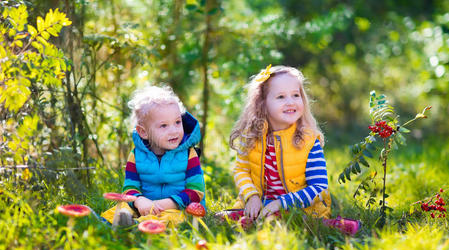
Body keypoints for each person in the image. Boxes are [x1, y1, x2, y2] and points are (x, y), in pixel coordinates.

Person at [229, 65, 332, 221]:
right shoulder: (251, 137)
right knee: (224, 218)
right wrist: (251, 196)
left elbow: (319, 188)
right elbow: (241, 170)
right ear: (262, 103)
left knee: (276, 222)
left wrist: (280, 203)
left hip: (300, 208)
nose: (290, 102)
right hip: (260, 204)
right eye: (281, 97)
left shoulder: (309, 141)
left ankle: (334, 225)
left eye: (295, 95)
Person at [101, 85, 205, 227]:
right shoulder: (136, 155)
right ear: (143, 132)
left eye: (177, 122)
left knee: (172, 218)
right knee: (120, 209)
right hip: (144, 207)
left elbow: (196, 191)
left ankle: (137, 227)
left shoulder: (188, 154)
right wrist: (139, 200)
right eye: (164, 126)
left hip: (178, 207)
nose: (174, 130)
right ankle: (108, 222)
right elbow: (129, 187)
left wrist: (166, 203)